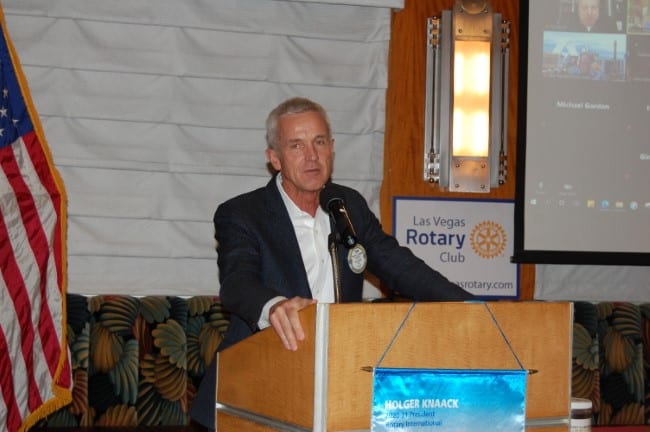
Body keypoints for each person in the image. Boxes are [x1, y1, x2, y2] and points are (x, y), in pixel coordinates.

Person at [190, 97, 474, 430]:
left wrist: (473, 307)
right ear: (275, 159)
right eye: (296, 145)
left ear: (332, 149)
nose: (311, 156)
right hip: (256, 385)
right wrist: (275, 305)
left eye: (319, 142)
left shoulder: (347, 205)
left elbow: (399, 266)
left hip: (336, 380)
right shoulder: (242, 213)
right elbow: (237, 283)